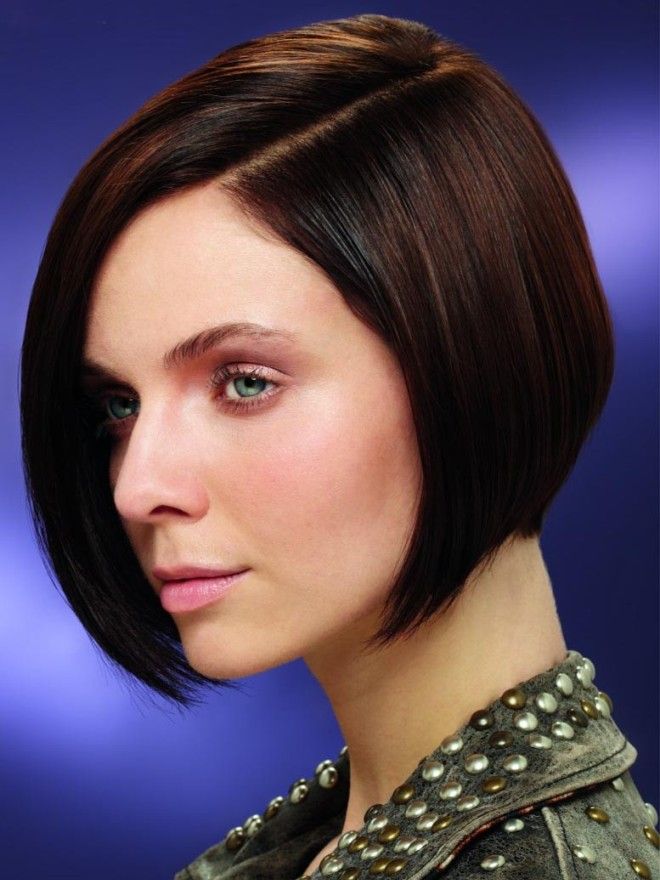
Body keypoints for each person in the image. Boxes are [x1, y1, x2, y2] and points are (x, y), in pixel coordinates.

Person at [19, 13, 657, 880]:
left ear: (476, 364)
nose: (136, 486)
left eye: (246, 383)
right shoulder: (360, 833)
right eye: (119, 406)